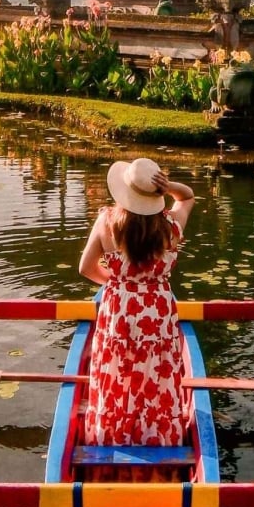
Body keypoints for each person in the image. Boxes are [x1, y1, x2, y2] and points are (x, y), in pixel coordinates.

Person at [78, 157, 195, 447]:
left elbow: (86, 268)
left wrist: (117, 284)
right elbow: (187, 197)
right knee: (155, 367)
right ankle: (155, 436)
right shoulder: (171, 226)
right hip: (157, 309)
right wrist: (169, 186)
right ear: (157, 194)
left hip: (119, 307)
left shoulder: (107, 221)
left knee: (117, 367)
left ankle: (113, 435)